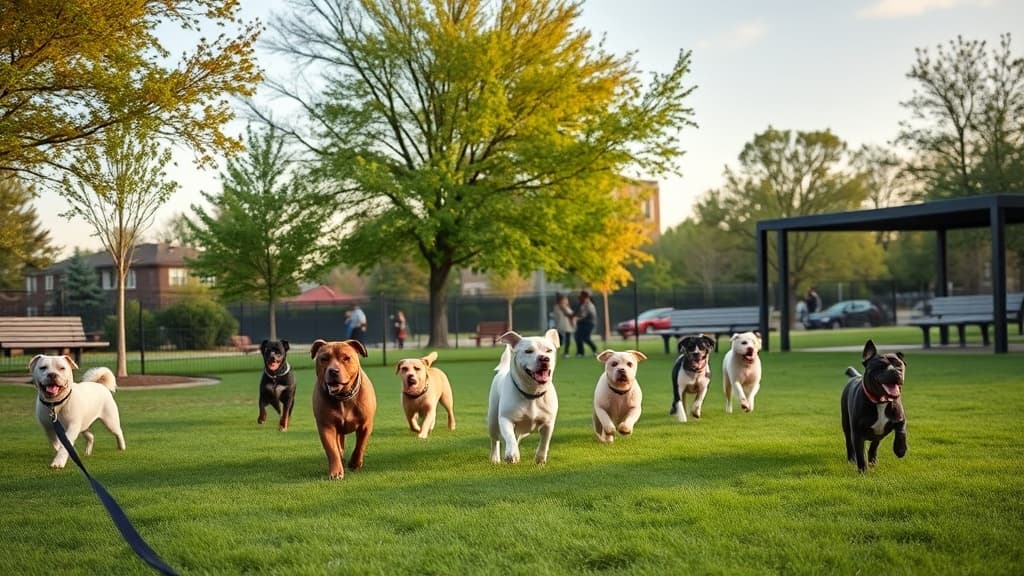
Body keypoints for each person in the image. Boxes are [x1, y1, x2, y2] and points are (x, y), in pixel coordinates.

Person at [573, 290, 598, 357]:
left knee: (585, 338)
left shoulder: (588, 304)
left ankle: (594, 350)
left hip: (588, 323)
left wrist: (577, 318)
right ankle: (580, 352)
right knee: (578, 337)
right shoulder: (582, 303)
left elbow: (585, 315)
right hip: (582, 323)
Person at [551, 293, 575, 358]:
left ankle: (566, 353)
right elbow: (569, 314)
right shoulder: (558, 307)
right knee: (559, 341)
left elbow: (571, 315)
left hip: (567, 326)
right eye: (565, 299)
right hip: (561, 326)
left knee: (566, 340)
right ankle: (554, 352)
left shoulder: (566, 307)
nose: (566, 301)